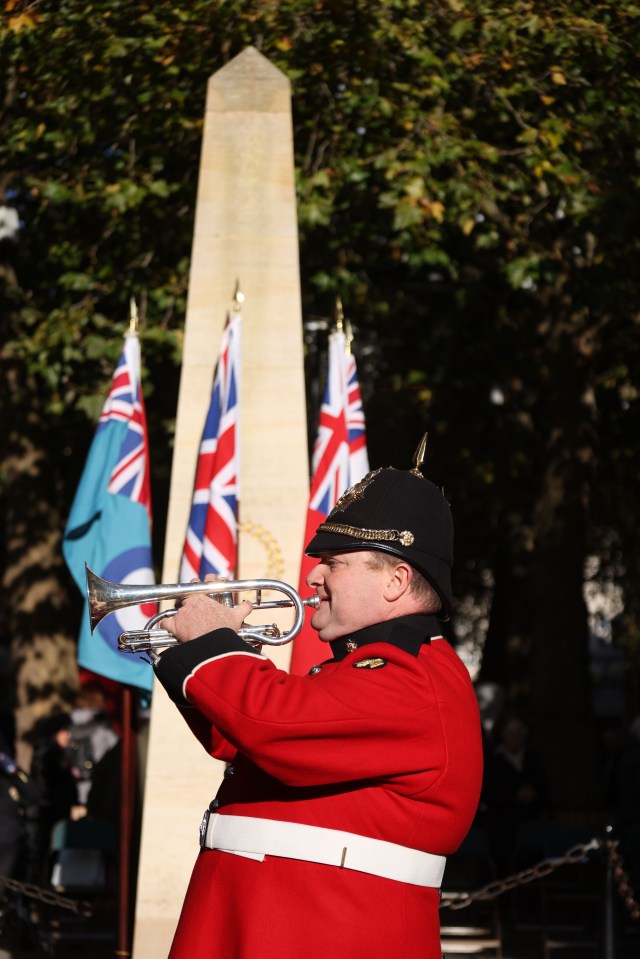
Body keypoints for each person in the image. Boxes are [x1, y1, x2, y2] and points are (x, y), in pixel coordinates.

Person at [153, 445, 483, 958]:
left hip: (321, 932)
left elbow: (274, 723)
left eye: (334, 563)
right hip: (269, 925)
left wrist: (214, 647)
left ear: (396, 581)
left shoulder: (409, 675)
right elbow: (244, 739)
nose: (312, 577)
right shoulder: (361, 670)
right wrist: (200, 657)